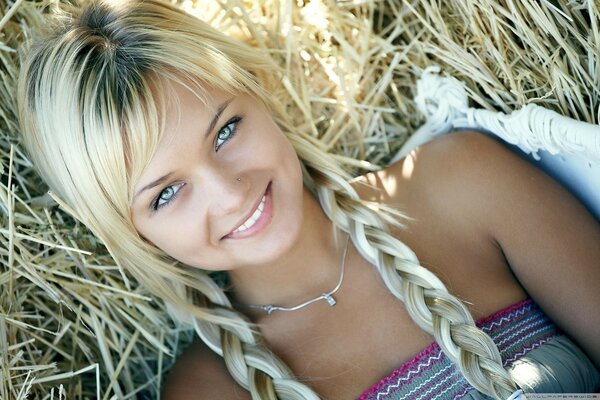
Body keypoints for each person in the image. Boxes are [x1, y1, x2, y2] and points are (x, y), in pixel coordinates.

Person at [16, 0, 600, 399]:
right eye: (167, 193)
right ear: (131, 231)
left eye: (225, 131)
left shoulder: (461, 183)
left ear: (260, 94)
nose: (229, 192)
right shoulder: (211, 391)